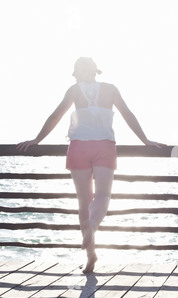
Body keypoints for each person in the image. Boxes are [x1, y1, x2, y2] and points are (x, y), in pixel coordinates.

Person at [16, 57, 165, 273]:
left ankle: (91, 255)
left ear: (76, 73)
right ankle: (93, 226)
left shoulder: (74, 91)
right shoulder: (111, 89)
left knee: (83, 201)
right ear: (96, 71)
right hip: (104, 146)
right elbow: (128, 115)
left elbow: (55, 115)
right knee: (103, 196)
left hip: (78, 147)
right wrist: (146, 141)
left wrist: (36, 140)